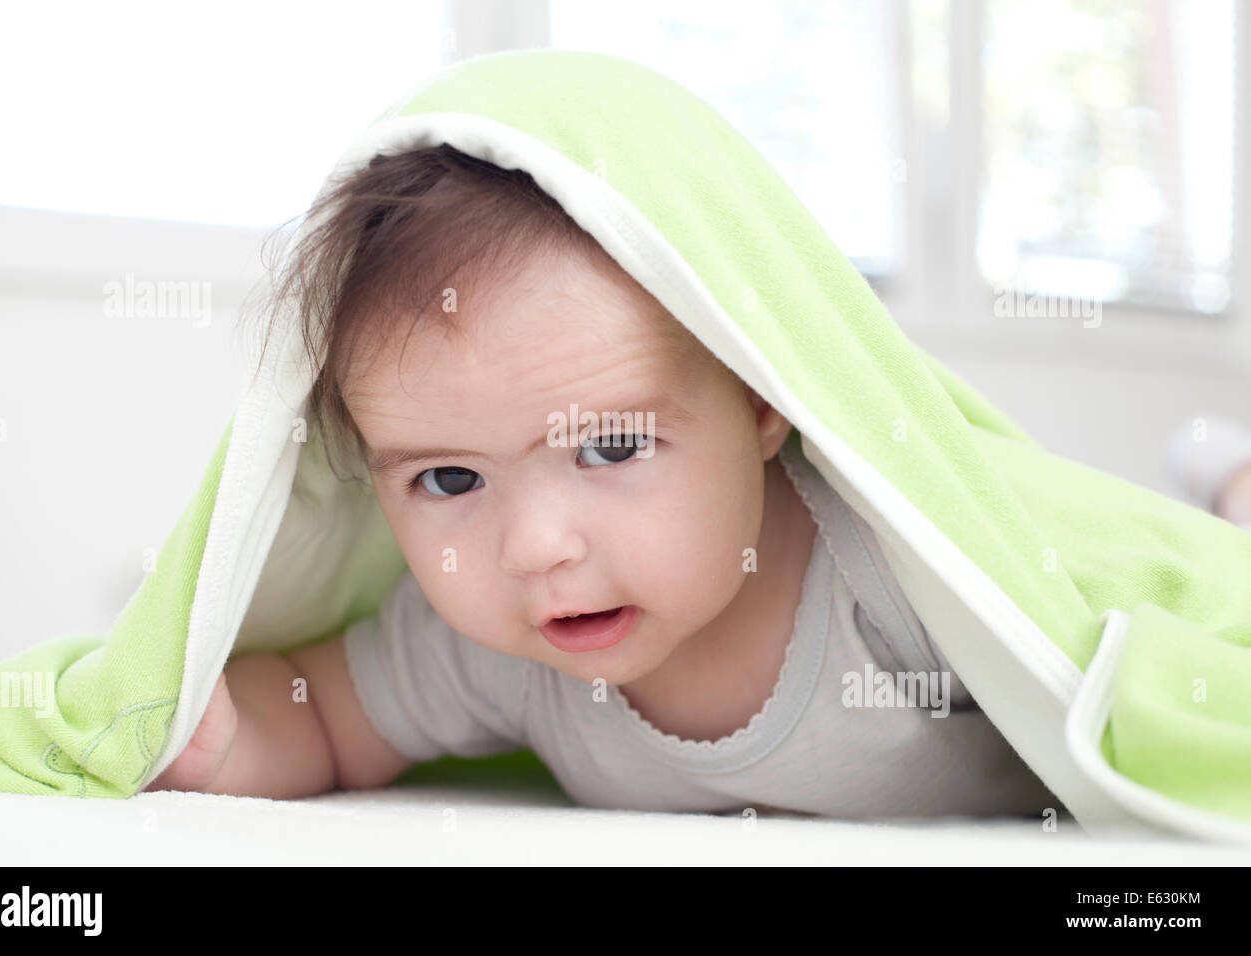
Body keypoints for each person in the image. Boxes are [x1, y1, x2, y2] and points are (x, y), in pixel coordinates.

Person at [144, 144, 1059, 817]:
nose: (537, 547)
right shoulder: (493, 650)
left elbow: (1111, 640)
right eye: (452, 478)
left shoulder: (898, 577)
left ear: (758, 401)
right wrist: (217, 736)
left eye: (612, 449)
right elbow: (326, 717)